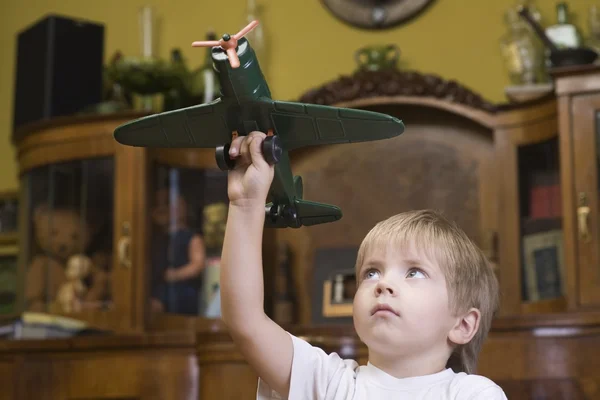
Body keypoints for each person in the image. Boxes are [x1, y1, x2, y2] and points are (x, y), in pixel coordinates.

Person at [220, 131, 508, 399]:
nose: (383, 284)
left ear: (463, 324)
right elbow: (246, 320)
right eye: (371, 272)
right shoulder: (330, 381)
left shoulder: (473, 394)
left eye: (414, 272)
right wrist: (246, 203)